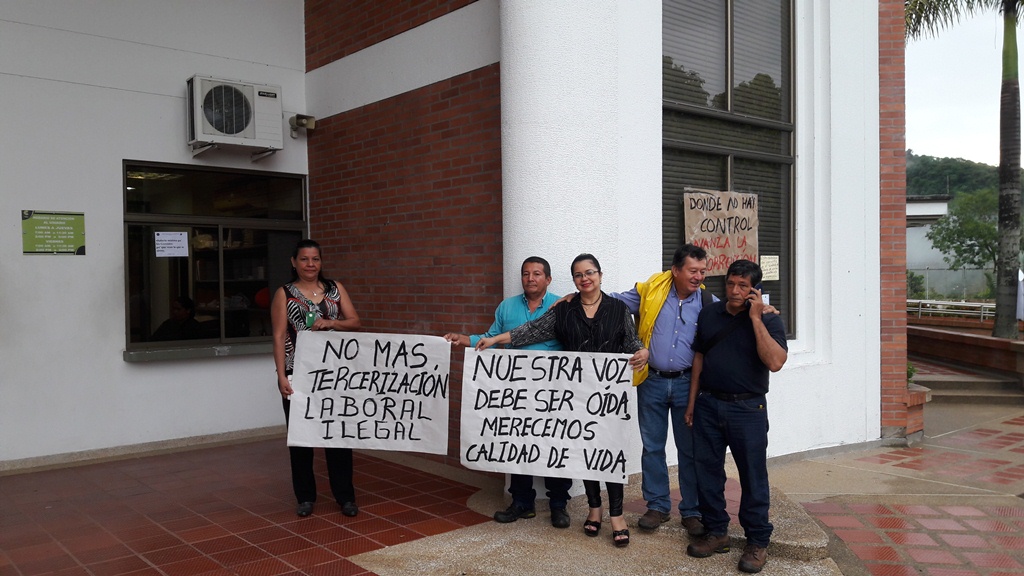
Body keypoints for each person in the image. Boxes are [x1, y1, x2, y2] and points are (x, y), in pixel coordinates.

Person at [477, 254, 650, 548]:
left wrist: (642, 351)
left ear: (600, 275)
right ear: (574, 280)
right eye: (579, 275)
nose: (585, 279)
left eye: (590, 272)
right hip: (576, 396)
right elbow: (530, 331)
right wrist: (494, 340)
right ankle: (594, 509)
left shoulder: (618, 308)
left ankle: (617, 516)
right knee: (587, 452)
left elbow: (630, 341)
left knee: (609, 452)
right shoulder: (563, 310)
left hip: (608, 395)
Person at [444, 257, 573, 528]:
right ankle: (522, 502)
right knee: (517, 444)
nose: (530, 278)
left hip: (552, 393)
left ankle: (559, 504)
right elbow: (490, 339)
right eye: (526, 274)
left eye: (537, 274)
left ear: (548, 279)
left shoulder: (562, 306)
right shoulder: (507, 306)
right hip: (516, 393)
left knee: (554, 444)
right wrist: (462, 339)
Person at [684, 259, 787, 574]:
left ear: (755, 289)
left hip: (747, 409)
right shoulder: (709, 314)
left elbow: (775, 362)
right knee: (707, 473)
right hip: (708, 404)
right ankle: (717, 532)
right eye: (731, 283)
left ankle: (757, 541)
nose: (735, 290)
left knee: (753, 476)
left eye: (743, 285)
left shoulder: (769, 319)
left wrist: (755, 318)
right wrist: (692, 403)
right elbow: (699, 357)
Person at [271, 239, 362, 518]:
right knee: (301, 437)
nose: (310, 264)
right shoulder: (284, 294)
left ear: (321, 262)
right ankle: (305, 497)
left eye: (315, 259)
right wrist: (281, 375)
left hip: (335, 375)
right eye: (304, 259)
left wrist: (332, 322)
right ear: (294, 262)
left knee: (338, 435)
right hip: (298, 374)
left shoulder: (335, 289)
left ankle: (345, 497)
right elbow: (278, 336)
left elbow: (355, 322)